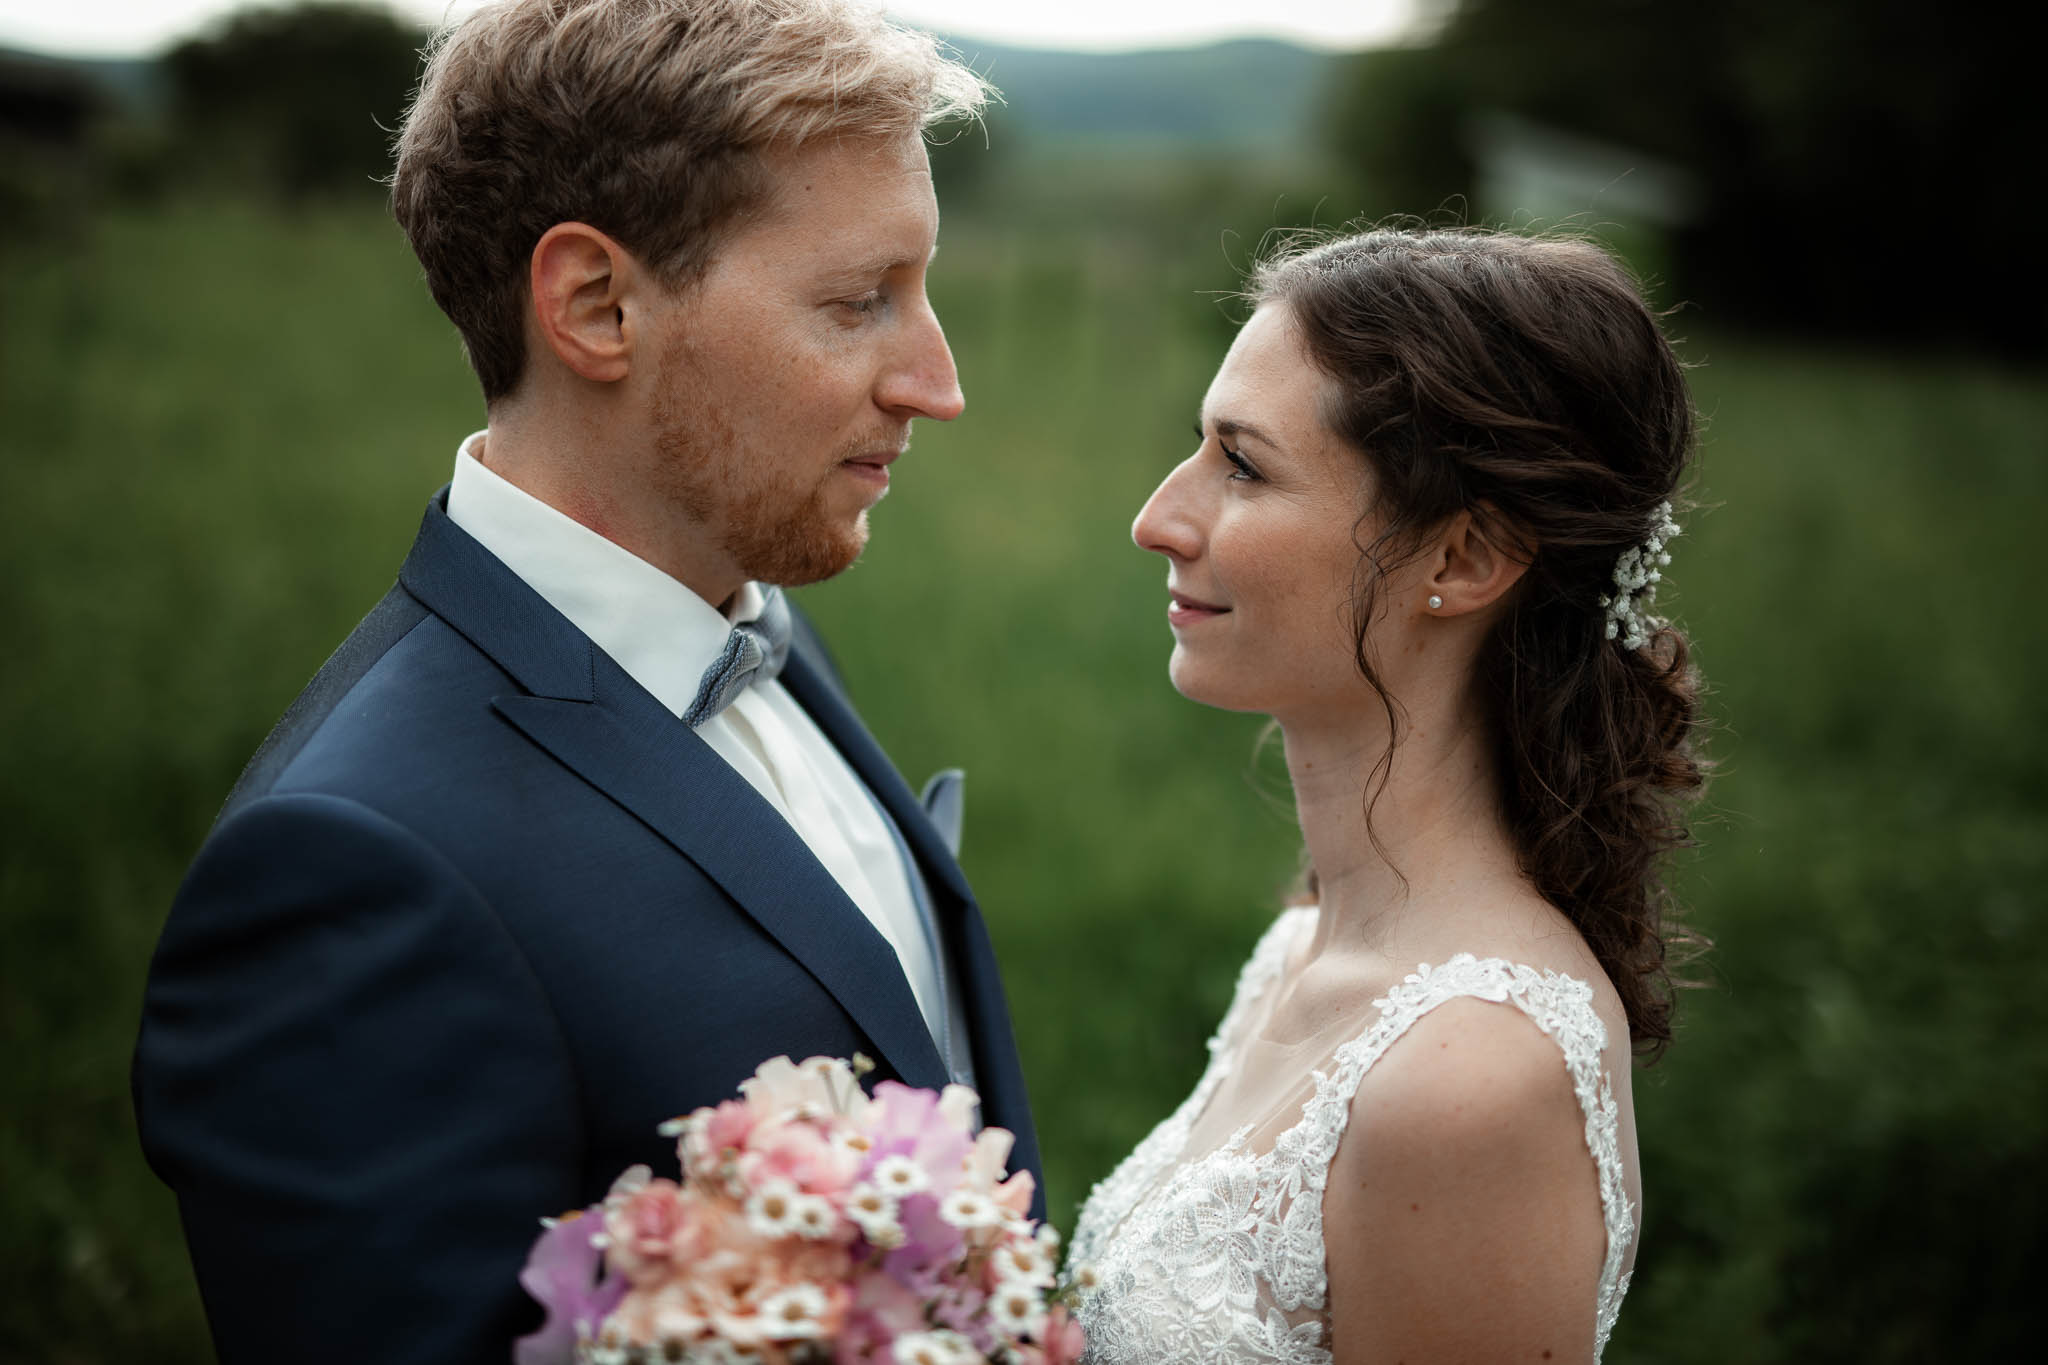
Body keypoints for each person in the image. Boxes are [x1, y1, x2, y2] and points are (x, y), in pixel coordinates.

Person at [131, 3, 1040, 1361]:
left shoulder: (752, 609)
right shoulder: (351, 875)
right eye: (860, 300)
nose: (936, 381)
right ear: (597, 306)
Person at [1073, 227, 1707, 1364]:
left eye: (1244, 466)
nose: (1157, 519)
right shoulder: (1302, 946)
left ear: (1459, 561)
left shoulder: (1469, 1076)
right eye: (1198, 449)